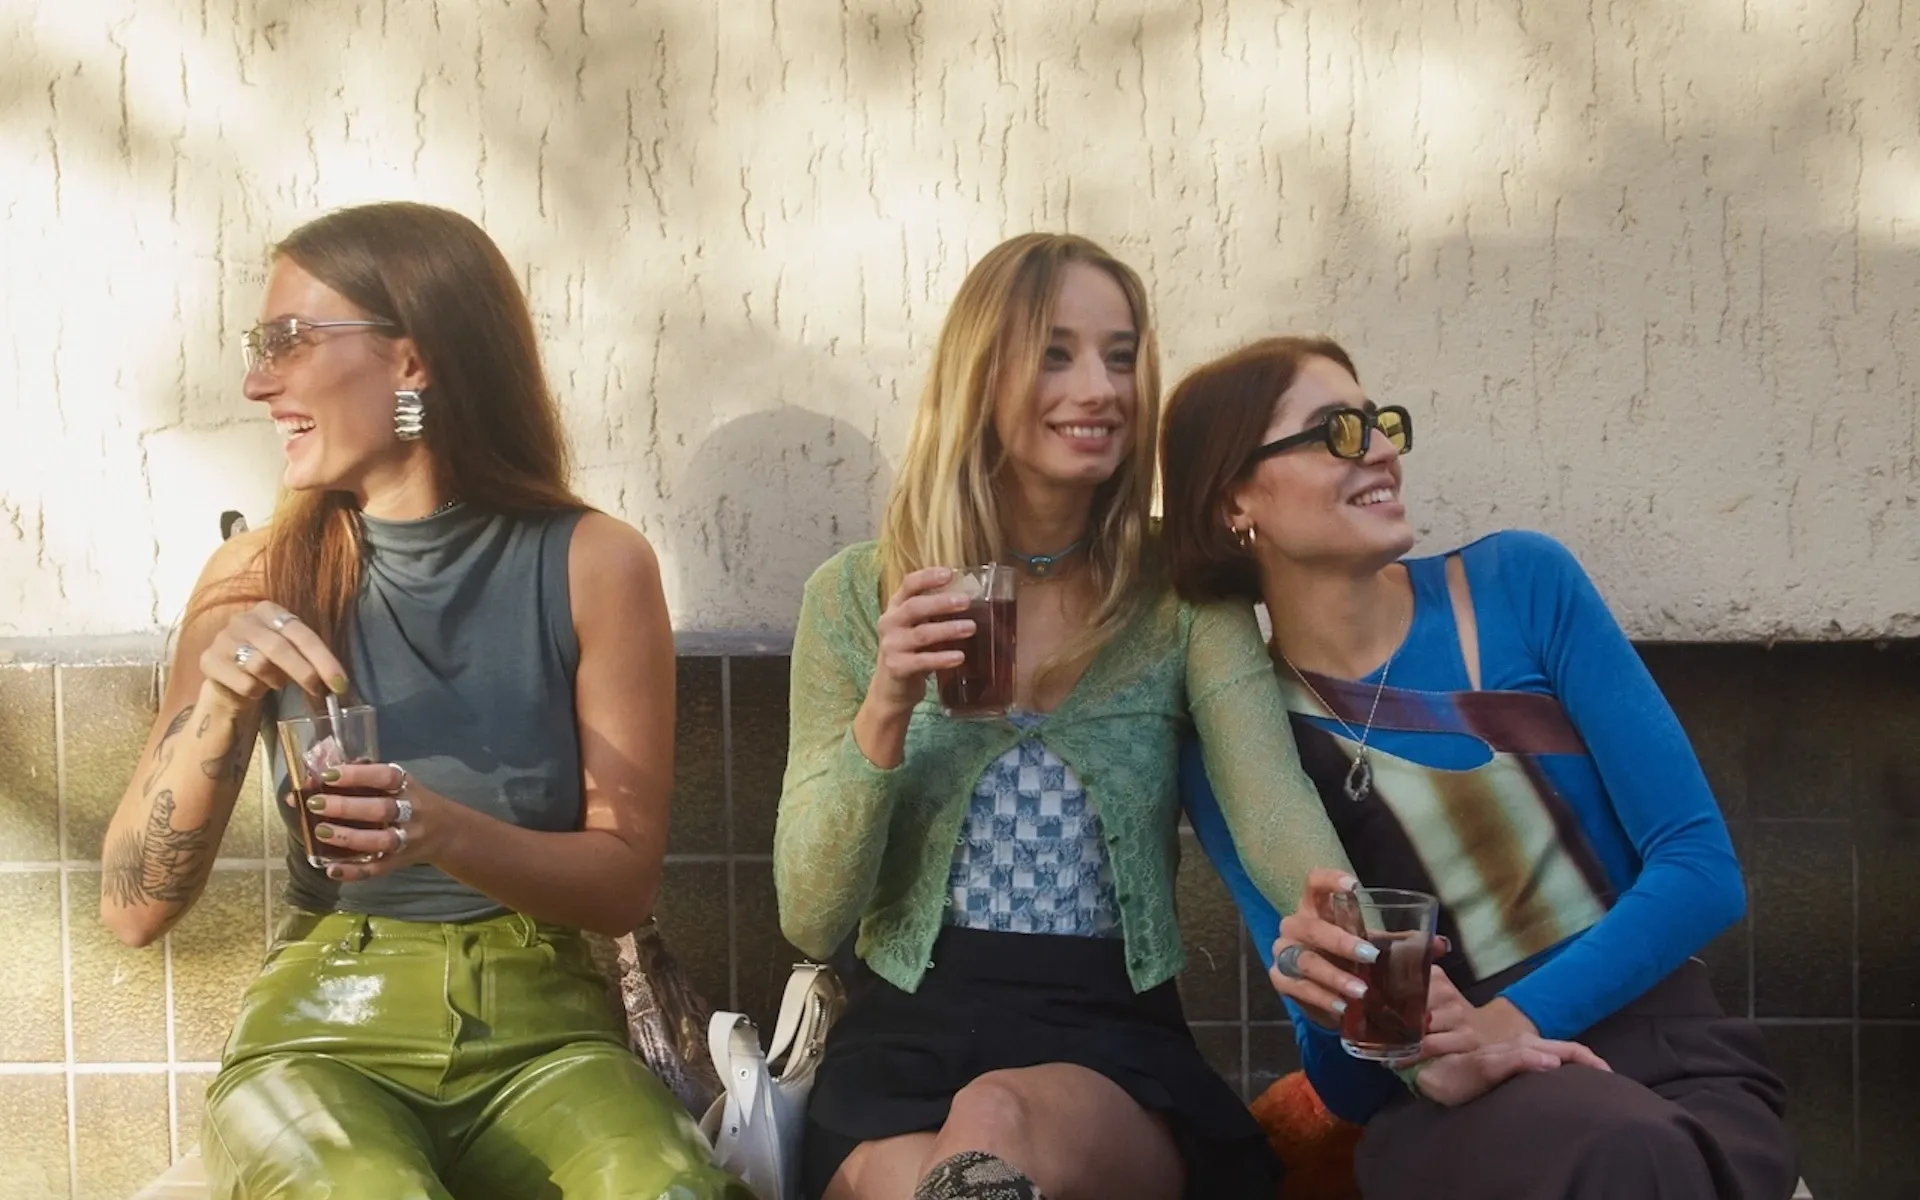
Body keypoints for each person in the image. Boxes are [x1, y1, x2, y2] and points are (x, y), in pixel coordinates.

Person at [98, 201, 751, 1200]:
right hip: (320, 1036)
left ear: (413, 362)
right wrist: (222, 708)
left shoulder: (593, 563)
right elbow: (132, 910)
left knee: (670, 1188)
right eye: (255, 344)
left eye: (288, 340)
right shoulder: (252, 574)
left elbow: (623, 885)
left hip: (547, 1042)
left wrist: (439, 828)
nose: (256, 380)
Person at [775, 234, 1357, 1200]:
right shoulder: (852, 595)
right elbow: (810, 915)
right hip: (906, 1027)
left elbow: (1269, 798)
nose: (1100, 387)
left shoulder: (1178, 595)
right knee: (946, 1169)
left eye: (1121, 356)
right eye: (1056, 353)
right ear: (979, 374)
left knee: (993, 1123)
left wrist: (1356, 931)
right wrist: (887, 702)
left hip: (1108, 1034)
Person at [1161, 335, 1798, 1199]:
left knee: (1651, 1149)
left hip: (1674, 1054)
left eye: (1379, 422)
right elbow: (1349, 1089)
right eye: (1335, 431)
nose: (1381, 447)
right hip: (1457, 1113)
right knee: (1628, 1153)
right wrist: (1334, 1009)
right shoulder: (1247, 750)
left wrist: (1505, 1023)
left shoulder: (1520, 585)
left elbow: (1701, 869)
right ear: (1236, 498)